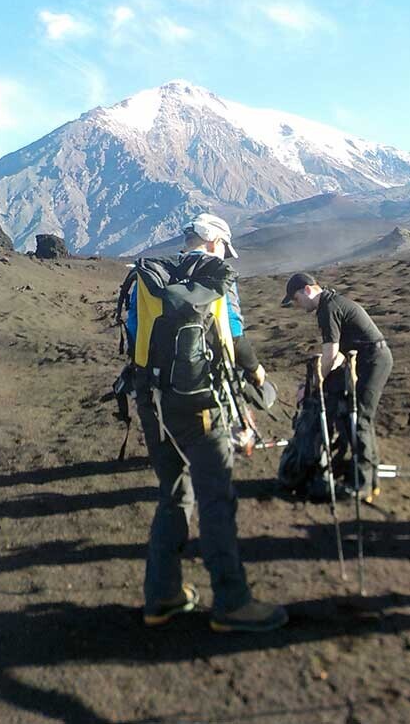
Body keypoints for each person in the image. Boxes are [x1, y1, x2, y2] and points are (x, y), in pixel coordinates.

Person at [130, 213, 289, 633]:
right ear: (215, 242)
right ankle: (232, 603)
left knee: (173, 495)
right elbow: (234, 336)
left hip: (153, 403)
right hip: (202, 406)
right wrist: (259, 378)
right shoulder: (217, 278)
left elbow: (132, 337)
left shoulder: (149, 276)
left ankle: (162, 596)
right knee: (216, 500)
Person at [281, 272, 393, 500]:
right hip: (369, 359)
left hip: (373, 360)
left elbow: (330, 355)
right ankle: (370, 479)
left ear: (307, 290)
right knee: (360, 418)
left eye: (296, 299)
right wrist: (319, 381)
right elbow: (339, 353)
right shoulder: (332, 303)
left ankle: (362, 485)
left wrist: (313, 386)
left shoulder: (328, 309)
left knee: (360, 419)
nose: (297, 305)